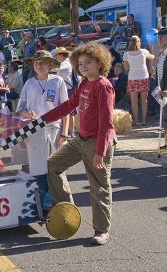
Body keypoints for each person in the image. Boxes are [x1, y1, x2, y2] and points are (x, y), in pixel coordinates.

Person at [41, 42, 117, 245]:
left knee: (99, 187)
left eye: (88, 62)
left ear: (100, 63)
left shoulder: (103, 87)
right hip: (80, 139)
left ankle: (102, 230)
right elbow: (68, 105)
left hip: (98, 142)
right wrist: (43, 119)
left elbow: (107, 123)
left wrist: (100, 152)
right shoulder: (84, 83)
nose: (83, 66)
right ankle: (67, 210)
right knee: (52, 165)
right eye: (80, 63)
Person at [16, 50, 69, 157]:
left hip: (54, 129)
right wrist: (27, 114)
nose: (39, 65)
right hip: (33, 129)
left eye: (43, 62)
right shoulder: (29, 83)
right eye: (36, 63)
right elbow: (19, 111)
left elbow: (66, 109)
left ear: (50, 64)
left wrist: (64, 135)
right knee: (38, 164)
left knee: (53, 165)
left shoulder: (57, 81)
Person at [123, 35, 155, 125]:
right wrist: (152, 52)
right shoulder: (144, 52)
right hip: (144, 77)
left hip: (132, 78)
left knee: (134, 102)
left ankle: (136, 121)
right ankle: (144, 121)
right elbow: (152, 57)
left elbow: (125, 68)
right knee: (144, 100)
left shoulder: (126, 54)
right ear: (139, 42)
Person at [52, 47, 76, 135]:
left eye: (57, 56)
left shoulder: (66, 62)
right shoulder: (65, 62)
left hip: (68, 90)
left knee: (70, 113)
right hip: (65, 89)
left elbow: (54, 69)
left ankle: (71, 132)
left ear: (61, 55)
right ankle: (68, 131)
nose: (56, 58)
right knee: (67, 112)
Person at [155, 28, 167, 149]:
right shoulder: (161, 52)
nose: (160, 39)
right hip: (161, 88)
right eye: (159, 37)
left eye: (162, 36)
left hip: (166, 89)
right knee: (165, 117)